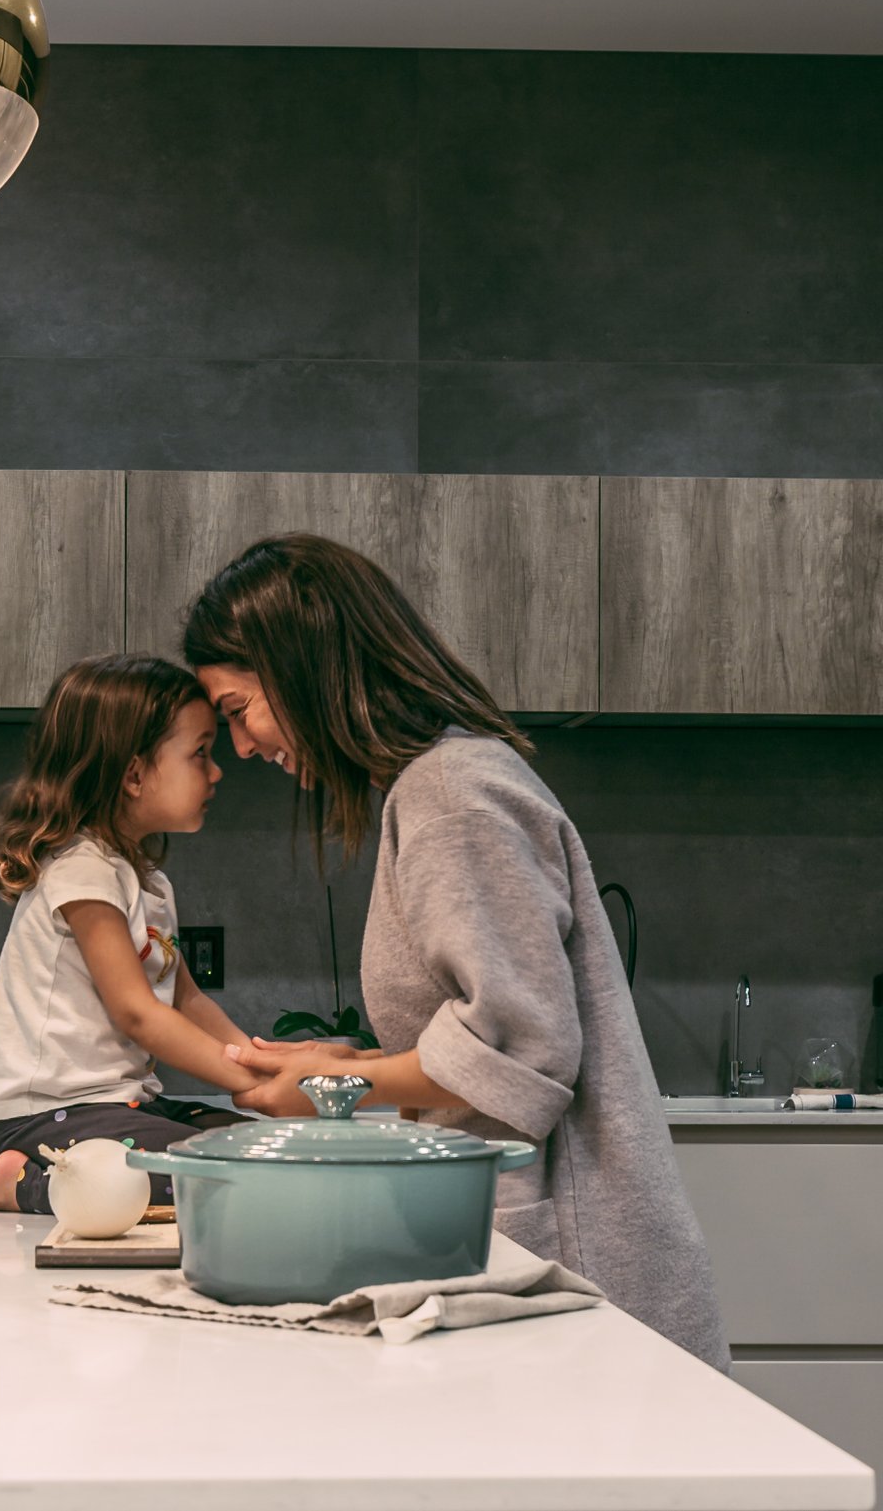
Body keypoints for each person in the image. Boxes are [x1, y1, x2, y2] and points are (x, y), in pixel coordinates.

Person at [182, 533, 729, 1370]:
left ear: (302, 666)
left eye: (236, 710)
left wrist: (340, 1084)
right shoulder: (439, 785)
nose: (244, 747)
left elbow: (521, 1048)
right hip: (525, 1245)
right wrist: (356, 1060)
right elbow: (486, 1028)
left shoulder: (451, 795)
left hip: (574, 1263)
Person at [0, 654, 268, 1215]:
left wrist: (258, 1067)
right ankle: (24, 1183)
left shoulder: (146, 882)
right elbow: (136, 1012)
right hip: (47, 1121)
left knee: (266, 1153)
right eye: (200, 753)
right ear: (135, 774)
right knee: (230, 1173)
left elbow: (185, 999)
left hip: (117, 1111)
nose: (216, 772)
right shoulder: (81, 870)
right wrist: (247, 1081)